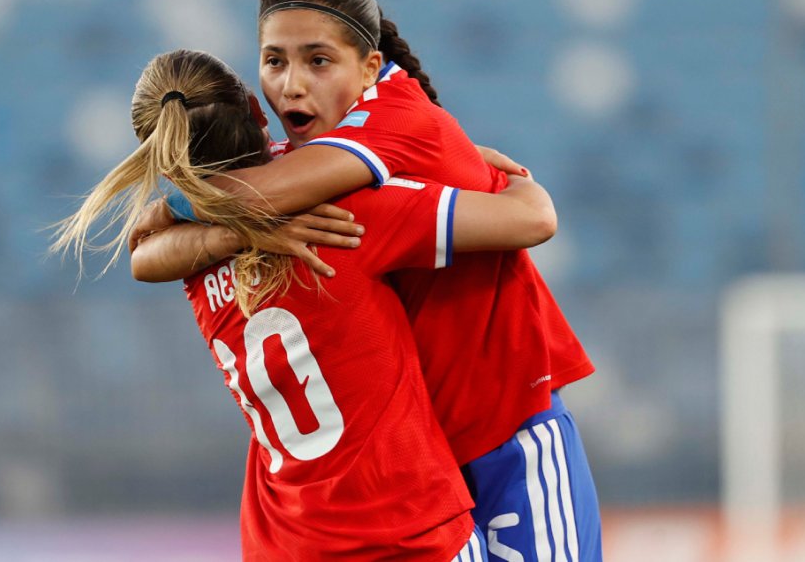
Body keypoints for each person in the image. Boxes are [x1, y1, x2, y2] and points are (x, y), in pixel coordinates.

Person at [132, 0, 602, 561]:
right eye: (274, 61)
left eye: (318, 60)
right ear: (253, 96)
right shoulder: (312, 175)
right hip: (421, 458)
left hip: (502, 425)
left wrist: (178, 202)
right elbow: (155, 249)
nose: (292, 86)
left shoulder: (380, 135)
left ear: (370, 68)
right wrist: (233, 231)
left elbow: (153, 248)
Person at [51, 49, 561, 560]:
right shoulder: (345, 217)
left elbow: (142, 252)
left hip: (285, 538)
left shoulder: (190, 252)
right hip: (407, 528)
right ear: (256, 109)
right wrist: (511, 175)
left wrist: (231, 228)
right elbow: (531, 220)